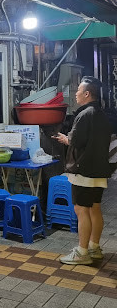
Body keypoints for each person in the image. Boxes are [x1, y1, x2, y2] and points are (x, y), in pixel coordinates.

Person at [54, 76, 112, 265]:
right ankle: (94, 247)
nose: (76, 93)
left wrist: (66, 139)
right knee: (95, 208)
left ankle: (82, 252)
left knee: (81, 209)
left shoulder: (84, 114)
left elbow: (77, 141)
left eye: (79, 90)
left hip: (83, 170)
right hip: (99, 169)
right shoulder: (101, 113)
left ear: (87, 94)